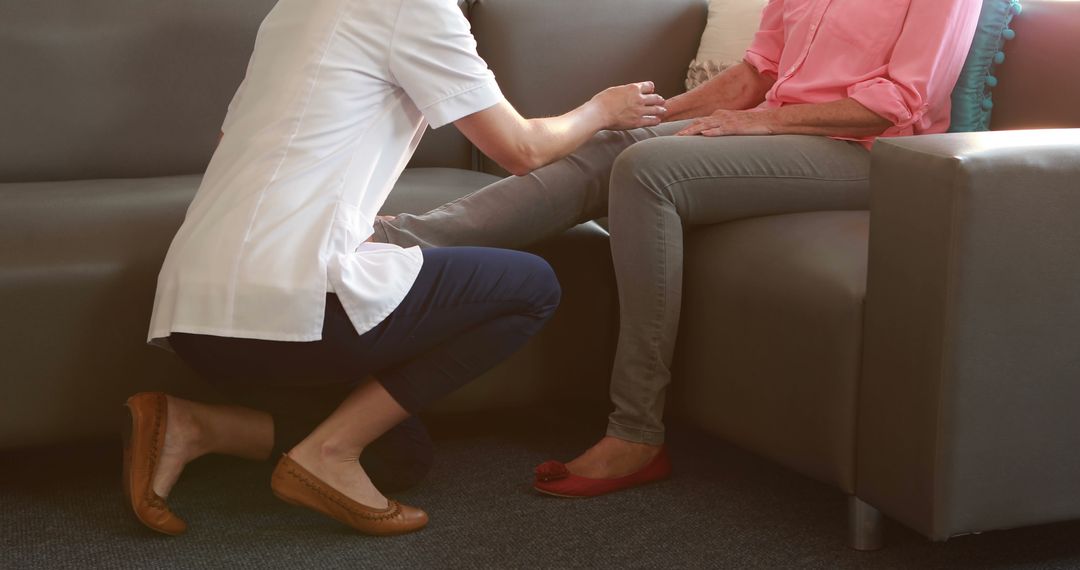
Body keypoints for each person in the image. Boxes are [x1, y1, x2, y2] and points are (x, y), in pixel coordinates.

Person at [371, 0, 983, 497]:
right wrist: (648, 115)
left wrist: (756, 124)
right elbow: (755, 75)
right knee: (613, 148)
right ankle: (395, 243)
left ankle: (636, 432)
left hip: (869, 156)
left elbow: (901, 102)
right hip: (779, 134)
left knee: (646, 170)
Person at [124, 0, 666, 537]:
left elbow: (238, 148)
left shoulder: (293, 8)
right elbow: (520, 149)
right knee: (531, 285)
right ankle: (330, 451)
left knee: (400, 458)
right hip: (283, 308)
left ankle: (192, 426)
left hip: (192, 310)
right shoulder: (414, 6)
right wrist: (603, 110)